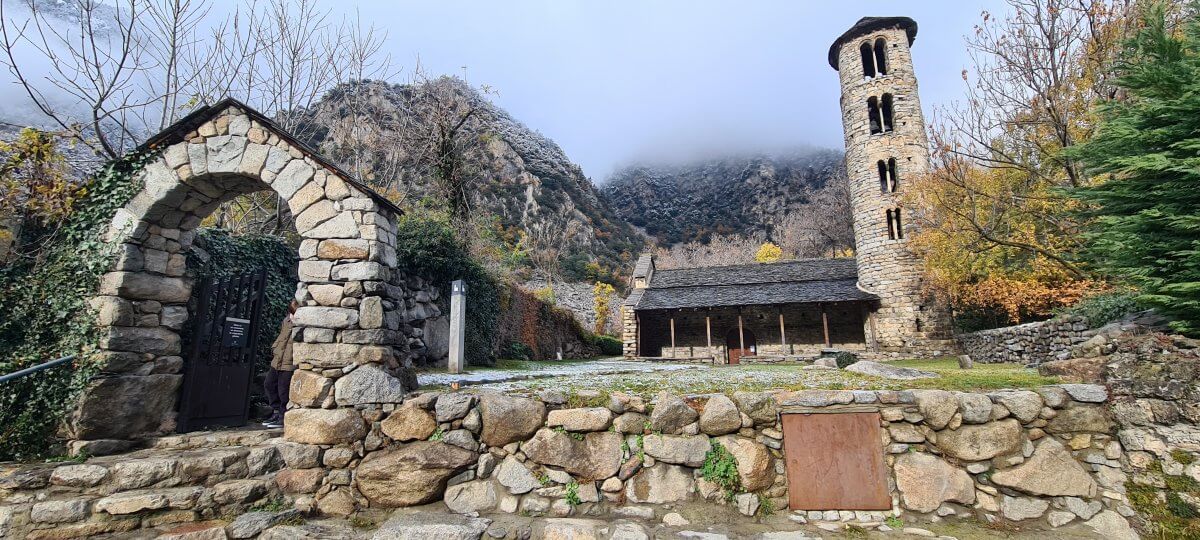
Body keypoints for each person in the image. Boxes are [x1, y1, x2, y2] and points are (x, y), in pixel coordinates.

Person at [263, 302, 297, 429]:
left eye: (293, 313)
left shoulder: (302, 324)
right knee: (269, 384)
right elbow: (281, 338)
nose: (291, 316)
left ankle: (283, 417)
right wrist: (275, 349)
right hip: (277, 360)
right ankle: (276, 412)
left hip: (289, 362)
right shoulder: (286, 321)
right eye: (290, 312)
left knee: (284, 391)